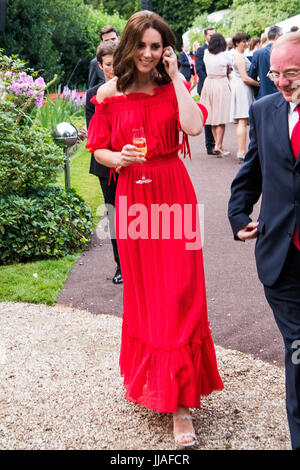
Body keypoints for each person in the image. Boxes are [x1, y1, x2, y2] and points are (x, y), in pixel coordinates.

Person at [86, 10, 223, 447]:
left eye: (156, 45)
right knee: (146, 291)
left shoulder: (173, 87)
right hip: (132, 198)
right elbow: (98, 148)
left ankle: (181, 404)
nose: (148, 53)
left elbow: (194, 126)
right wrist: (119, 158)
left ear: (166, 48)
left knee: (181, 290)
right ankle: (156, 384)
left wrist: (178, 75)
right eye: (141, 45)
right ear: (129, 46)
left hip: (173, 191)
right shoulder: (110, 94)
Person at [228, 31, 300, 450]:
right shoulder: (262, 109)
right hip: (282, 256)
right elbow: (252, 171)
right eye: (275, 73)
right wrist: (238, 214)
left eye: (291, 73)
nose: (281, 82)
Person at [85, 40, 122, 284]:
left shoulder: (132, 89)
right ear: (100, 65)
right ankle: (121, 265)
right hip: (105, 164)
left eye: (118, 62)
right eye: (109, 65)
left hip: (133, 162)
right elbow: (92, 133)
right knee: (115, 215)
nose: (114, 68)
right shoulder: (93, 95)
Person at [200, 33, 232, 156]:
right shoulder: (225, 55)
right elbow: (231, 66)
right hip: (221, 83)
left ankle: (218, 145)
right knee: (221, 117)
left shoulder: (206, 54)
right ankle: (218, 145)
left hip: (209, 83)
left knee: (212, 117)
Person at [230, 33, 260, 162]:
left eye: (246, 41)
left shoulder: (239, 55)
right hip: (242, 88)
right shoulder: (238, 57)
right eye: (243, 41)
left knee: (244, 120)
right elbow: (245, 78)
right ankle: (241, 151)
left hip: (241, 87)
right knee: (242, 120)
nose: (246, 43)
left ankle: (242, 150)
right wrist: (259, 83)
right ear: (237, 43)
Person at [195, 26, 217, 155]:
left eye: (214, 35)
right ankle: (210, 145)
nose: (212, 37)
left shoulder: (218, 50)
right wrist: (209, 83)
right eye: (210, 35)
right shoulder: (201, 51)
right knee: (208, 116)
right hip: (205, 87)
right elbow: (199, 70)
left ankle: (217, 142)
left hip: (217, 87)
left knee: (217, 114)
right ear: (205, 37)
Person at [248, 25, 283, 99]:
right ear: (277, 36)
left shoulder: (258, 53)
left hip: (264, 95)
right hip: (283, 94)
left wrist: (259, 90)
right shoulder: (284, 51)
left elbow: (251, 76)